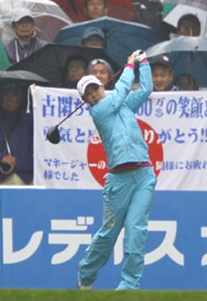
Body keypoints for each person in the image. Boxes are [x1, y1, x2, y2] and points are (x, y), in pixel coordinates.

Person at [76, 50, 155, 290]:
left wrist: (143, 63)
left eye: (95, 88)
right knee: (109, 233)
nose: (93, 94)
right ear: (87, 101)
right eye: (88, 94)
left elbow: (146, 89)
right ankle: (86, 274)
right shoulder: (99, 111)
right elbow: (120, 91)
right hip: (119, 180)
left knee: (136, 230)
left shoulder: (123, 106)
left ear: (101, 86)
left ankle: (129, 286)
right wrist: (130, 65)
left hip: (143, 175)